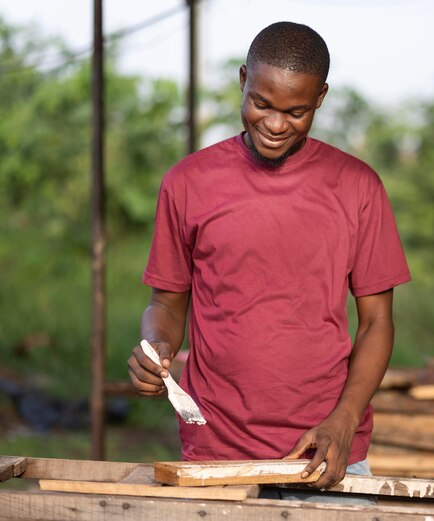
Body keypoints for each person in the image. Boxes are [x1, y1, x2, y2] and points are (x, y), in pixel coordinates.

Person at [127, 21, 411, 495]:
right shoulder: (188, 182)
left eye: (296, 111)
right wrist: (156, 346)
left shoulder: (359, 187)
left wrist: (344, 421)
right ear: (243, 80)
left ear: (320, 97)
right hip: (216, 451)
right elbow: (168, 303)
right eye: (261, 104)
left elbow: (377, 324)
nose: (276, 124)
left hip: (326, 450)